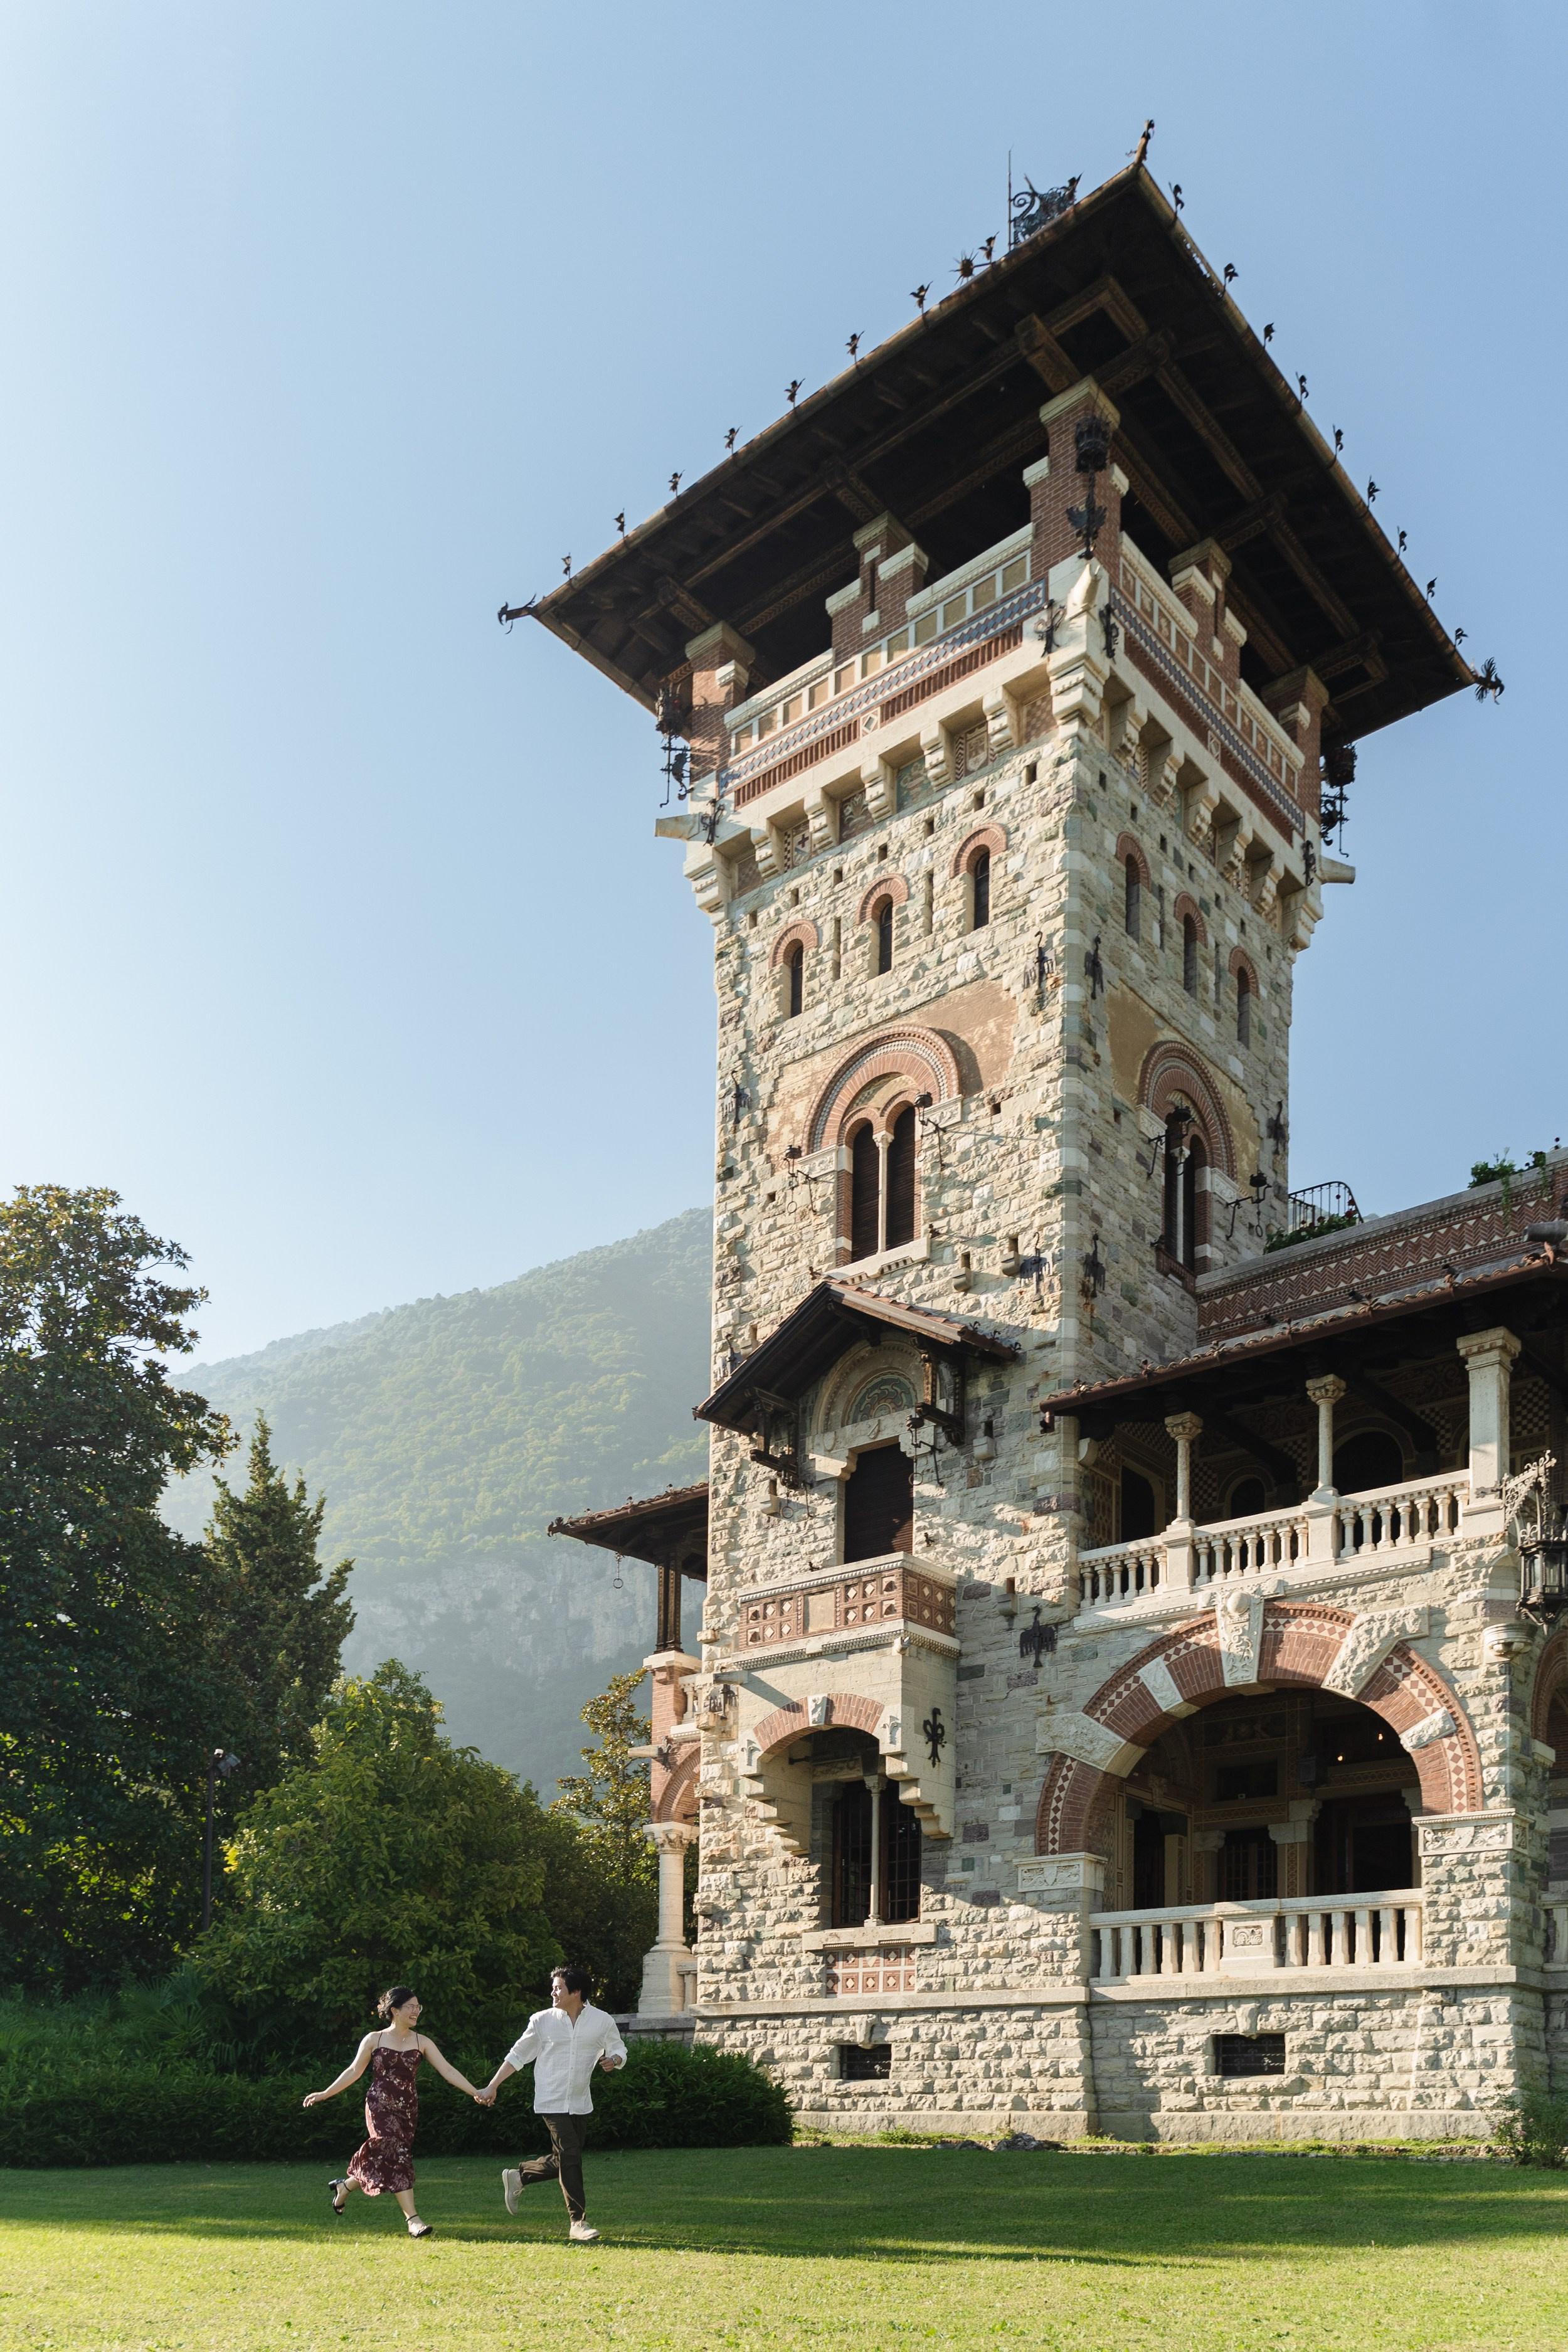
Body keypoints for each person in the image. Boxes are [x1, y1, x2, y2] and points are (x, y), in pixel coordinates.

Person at [303, 1984, 489, 2238]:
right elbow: (353, 2071)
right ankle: (413, 2220)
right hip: (379, 2105)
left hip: (407, 2109)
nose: (416, 2011)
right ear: (395, 2010)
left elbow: (448, 2071)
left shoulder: (421, 2042)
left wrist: (475, 2091)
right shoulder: (374, 2039)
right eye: (411, 2007)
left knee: (389, 2155)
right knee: (397, 2152)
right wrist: (325, 2093)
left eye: (418, 2007)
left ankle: (345, 2186)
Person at [479, 1966, 627, 2243]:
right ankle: (578, 2222)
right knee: (571, 2154)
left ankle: (521, 2176)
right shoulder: (541, 2020)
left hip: (581, 2101)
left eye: (558, 1988)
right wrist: (493, 2085)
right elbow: (518, 2055)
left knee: (565, 2158)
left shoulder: (602, 2020)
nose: (553, 1992)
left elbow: (618, 2048)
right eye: (554, 1987)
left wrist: (614, 2060)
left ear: (577, 1991)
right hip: (551, 2099)